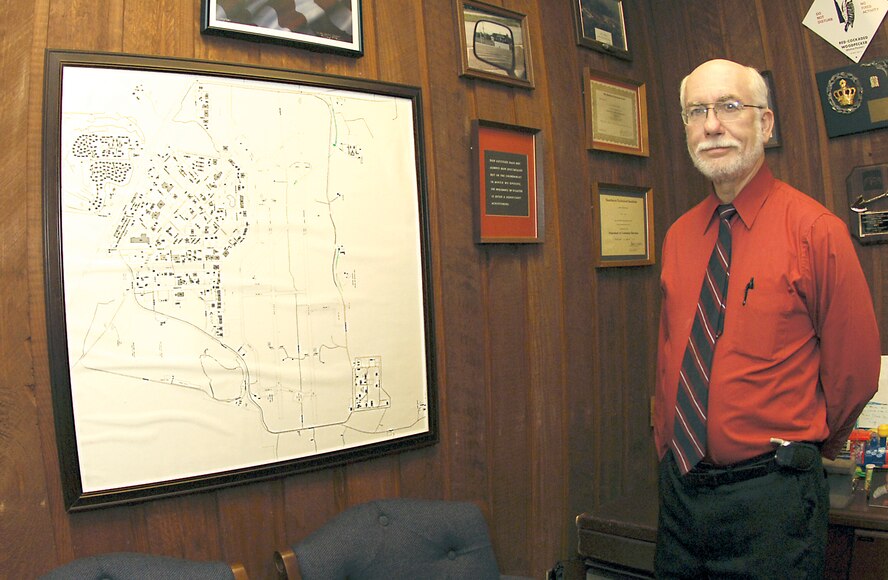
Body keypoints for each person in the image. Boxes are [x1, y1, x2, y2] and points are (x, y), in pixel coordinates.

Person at [653, 58, 881, 578]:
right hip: (681, 494)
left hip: (773, 501)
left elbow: (855, 372)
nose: (712, 125)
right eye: (696, 111)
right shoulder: (679, 237)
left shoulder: (815, 231)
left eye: (729, 106)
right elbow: (669, 357)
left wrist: (806, 449)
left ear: (766, 123)